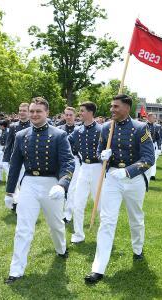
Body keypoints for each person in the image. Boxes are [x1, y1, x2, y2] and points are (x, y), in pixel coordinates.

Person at [84, 94, 155, 284]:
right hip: (113, 178)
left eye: (116, 106)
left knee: (136, 218)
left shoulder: (141, 128)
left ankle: (138, 249)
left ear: (127, 108)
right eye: (111, 106)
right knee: (107, 220)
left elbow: (149, 159)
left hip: (134, 179)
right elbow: (100, 152)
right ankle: (98, 267)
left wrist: (129, 172)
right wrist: (103, 156)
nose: (112, 110)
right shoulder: (107, 127)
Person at [4, 97, 75, 284]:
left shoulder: (59, 135)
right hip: (29, 183)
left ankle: (61, 249)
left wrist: (62, 184)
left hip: (52, 183)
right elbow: (14, 166)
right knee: (23, 228)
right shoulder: (21, 135)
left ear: (47, 113)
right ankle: (16, 270)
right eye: (32, 111)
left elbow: (68, 162)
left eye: (38, 111)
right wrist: (10, 191)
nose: (34, 114)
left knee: (56, 224)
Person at [69, 101, 102, 244]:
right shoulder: (77, 131)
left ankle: (104, 233)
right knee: (78, 203)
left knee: (100, 204)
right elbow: (66, 143)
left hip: (98, 169)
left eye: (82, 110)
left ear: (90, 112)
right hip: (83, 168)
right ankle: (78, 234)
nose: (79, 113)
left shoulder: (102, 129)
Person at [2, 103, 31, 211]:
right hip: (15, 160)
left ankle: (21, 202)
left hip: (28, 160)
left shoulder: (33, 126)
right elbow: (9, 144)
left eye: (24, 110)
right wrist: (5, 159)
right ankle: (16, 202)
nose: (21, 112)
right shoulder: (13, 126)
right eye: (20, 110)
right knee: (14, 181)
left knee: (24, 183)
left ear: (28, 112)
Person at [57, 106, 78, 223]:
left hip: (75, 160)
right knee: (61, 185)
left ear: (75, 116)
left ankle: (68, 215)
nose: (69, 117)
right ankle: (59, 212)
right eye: (67, 114)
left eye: (71, 115)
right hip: (61, 160)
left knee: (72, 188)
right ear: (64, 115)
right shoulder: (59, 129)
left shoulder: (79, 129)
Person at [146, 113, 162, 181]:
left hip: (153, 144)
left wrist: (159, 147)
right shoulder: (142, 125)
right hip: (144, 144)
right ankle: (145, 173)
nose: (155, 119)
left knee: (153, 160)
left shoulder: (157, 126)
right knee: (145, 160)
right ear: (149, 117)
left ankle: (152, 174)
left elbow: (160, 138)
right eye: (154, 118)